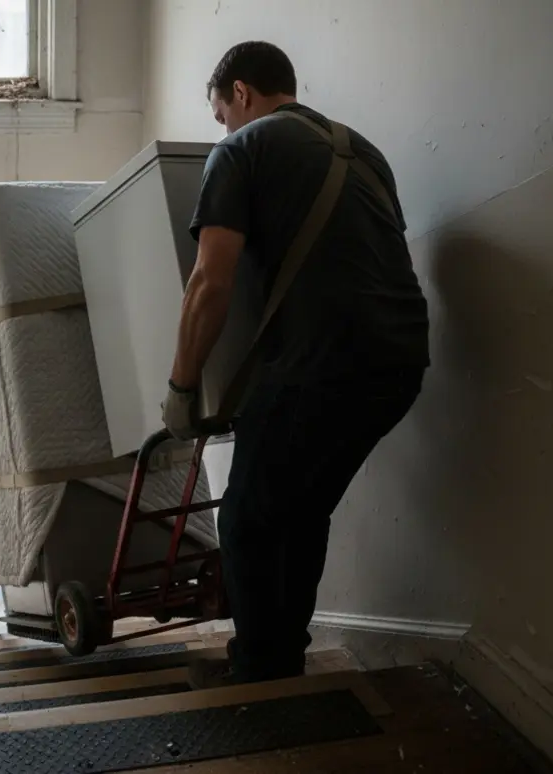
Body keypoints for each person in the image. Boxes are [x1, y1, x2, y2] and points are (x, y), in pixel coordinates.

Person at [161, 41, 430, 689]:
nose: (221, 126)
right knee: (301, 510)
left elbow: (210, 283)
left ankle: (260, 668)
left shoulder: (242, 149)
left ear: (242, 94)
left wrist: (182, 385)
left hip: (320, 361)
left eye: (221, 111)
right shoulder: (363, 151)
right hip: (400, 361)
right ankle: (281, 657)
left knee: (247, 516)